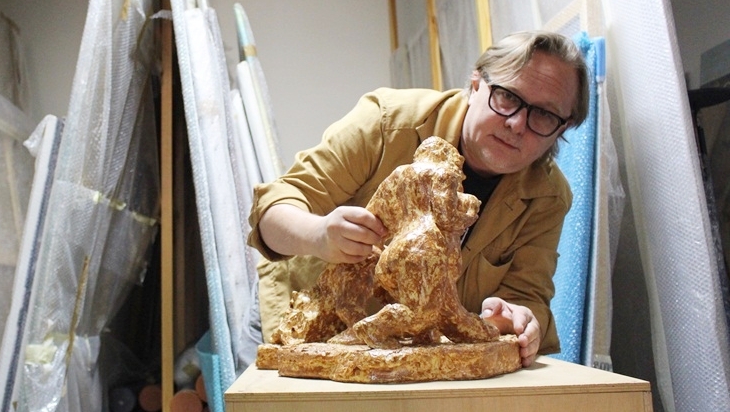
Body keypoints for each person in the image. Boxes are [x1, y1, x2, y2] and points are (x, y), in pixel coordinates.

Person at [247, 30, 589, 368]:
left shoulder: (548, 197)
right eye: (507, 97)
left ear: (562, 128)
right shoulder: (387, 121)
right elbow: (270, 213)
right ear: (476, 84)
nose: (517, 124)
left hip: (416, 356)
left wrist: (516, 317)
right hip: (305, 330)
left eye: (544, 114)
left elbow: (527, 297)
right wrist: (318, 234)